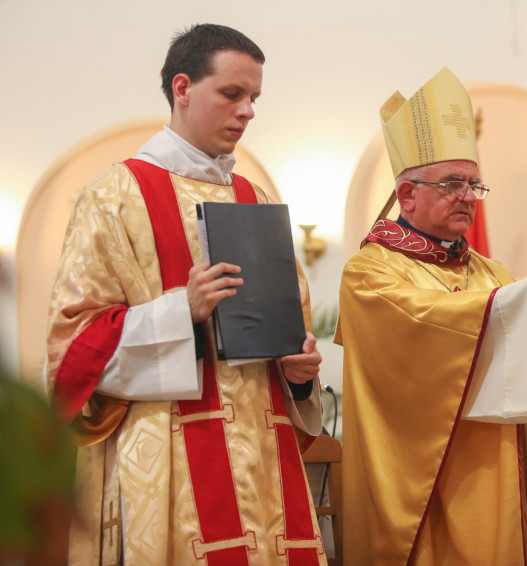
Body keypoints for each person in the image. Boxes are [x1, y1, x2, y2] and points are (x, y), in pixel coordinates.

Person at [46, 24, 325, 566]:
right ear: (182, 88)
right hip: (169, 460)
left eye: (254, 98)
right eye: (232, 93)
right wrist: (182, 311)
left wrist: (300, 372)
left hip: (264, 459)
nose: (247, 111)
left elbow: (293, 332)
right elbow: (72, 350)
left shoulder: (255, 199)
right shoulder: (114, 194)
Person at [336, 66, 527, 565]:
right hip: (425, 478)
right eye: (452, 184)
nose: (468, 196)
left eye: (474, 184)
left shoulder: (489, 271)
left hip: (500, 463)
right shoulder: (369, 270)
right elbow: (419, 324)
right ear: (407, 195)